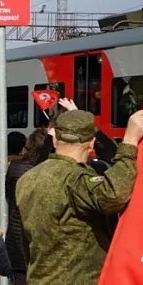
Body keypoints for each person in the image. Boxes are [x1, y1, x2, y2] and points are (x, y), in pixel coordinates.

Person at [16, 110, 143, 284]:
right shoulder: (75, 180)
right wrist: (129, 143)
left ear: (54, 140)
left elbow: (26, 242)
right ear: (91, 144)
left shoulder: (27, 179)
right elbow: (114, 195)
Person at [5, 128, 47, 285]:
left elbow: (9, 194)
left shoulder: (15, 167)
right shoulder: (48, 169)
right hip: (40, 239)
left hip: (16, 235)